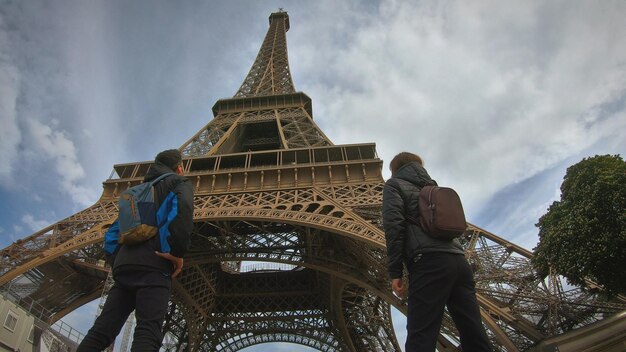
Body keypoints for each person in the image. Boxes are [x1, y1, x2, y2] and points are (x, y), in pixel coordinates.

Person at [78, 149, 194, 352]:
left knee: (101, 331)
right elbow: (181, 211)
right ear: (179, 168)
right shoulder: (179, 182)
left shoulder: (137, 192)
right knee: (148, 330)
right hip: (155, 265)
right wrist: (176, 252)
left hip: (124, 267)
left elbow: (112, 234)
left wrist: (118, 261)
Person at [382, 152, 492, 352]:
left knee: (421, 334)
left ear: (394, 169)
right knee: (474, 331)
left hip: (429, 262)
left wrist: (395, 272)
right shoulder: (432, 187)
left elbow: (394, 227)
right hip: (458, 260)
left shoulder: (394, 184)